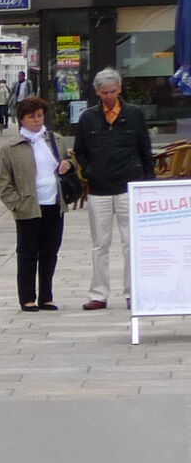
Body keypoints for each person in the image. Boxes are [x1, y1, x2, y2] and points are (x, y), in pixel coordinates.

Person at [72, 66, 156, 310]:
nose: (109, 96)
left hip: (130, 185)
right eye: (104, 92)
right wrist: (89, 171)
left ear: (119, 89)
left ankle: (133, 292)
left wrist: (147, 181)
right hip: (99, 188)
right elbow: (80, 150)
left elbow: (144, 147)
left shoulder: (134, 114)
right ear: (97, 92)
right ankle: (98, 293)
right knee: (100, 243)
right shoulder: (88, 118)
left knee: (131, 242)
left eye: (112, 91)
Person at [0, 96, 74, 311]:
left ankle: (46, 296)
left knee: (50, 252)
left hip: (54, 204)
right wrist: (16, 204)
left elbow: (69, 162)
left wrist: (68, 165)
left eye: (39, 115)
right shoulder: (11, 147)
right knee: (28, 253)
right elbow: (4, 183)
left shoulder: (55, 140)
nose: (37, 120)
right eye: (31, 117)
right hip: (29, 206)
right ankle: (27, 297)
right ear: (21, 119)